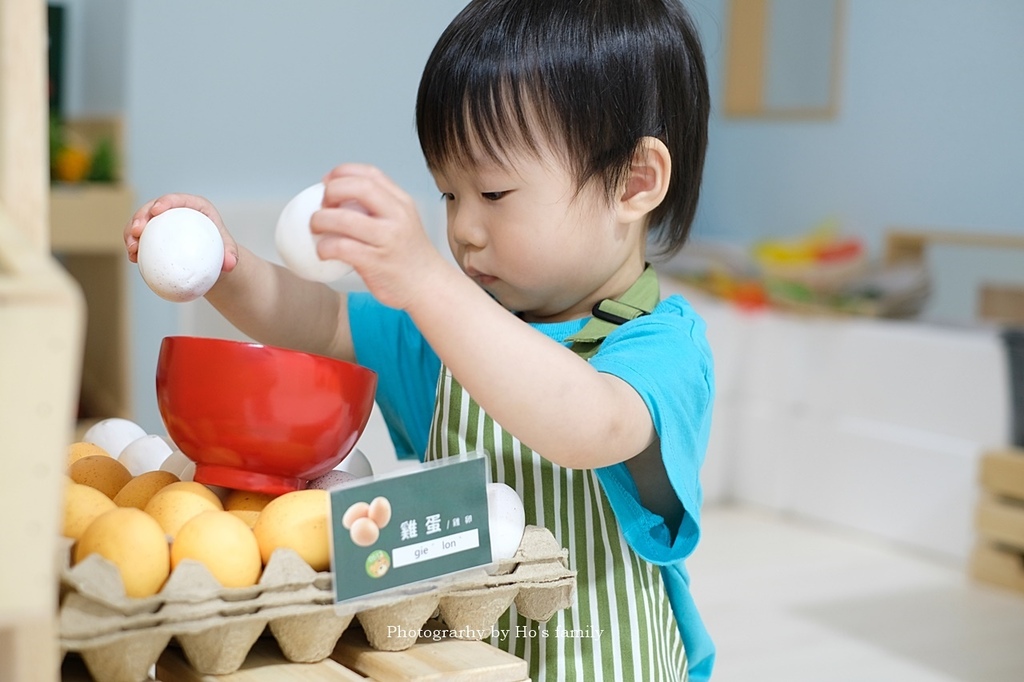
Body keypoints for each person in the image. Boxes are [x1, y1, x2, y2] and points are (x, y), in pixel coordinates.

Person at [124, 0, 714, 679]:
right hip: (450, 660)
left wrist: (429, 282)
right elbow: (319, 321)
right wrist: (228, 266)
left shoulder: (660, 347)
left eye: (492, 193)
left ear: (634, 183)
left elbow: (589, 424)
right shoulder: (442, 333)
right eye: (448, 195)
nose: (462, 229)